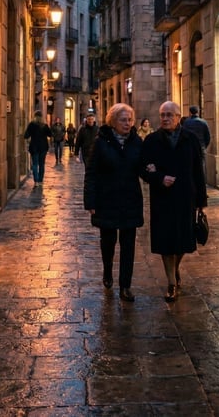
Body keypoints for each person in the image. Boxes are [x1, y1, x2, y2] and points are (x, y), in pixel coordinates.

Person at [141, 100, 207, 303]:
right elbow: (143, 168)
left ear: (178, 117)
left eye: (170, 115)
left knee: (182, 241)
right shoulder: (152, 140)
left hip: (185, 196)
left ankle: (175, 267)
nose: (165, 118)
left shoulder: (191, 139)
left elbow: (198, 171)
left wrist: (201, 201)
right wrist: (159, 177)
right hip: (162, 198)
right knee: (165, 241)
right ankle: (171, 282)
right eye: (162, 115)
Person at [84, 103, 143, 302]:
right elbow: (91, 173)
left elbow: (144, 168)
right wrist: (90, 201)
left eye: (130, 120)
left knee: (128, 245)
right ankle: (107, 271)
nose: (127, 124)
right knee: (108, 242)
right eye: (123, 120)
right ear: (113, 122)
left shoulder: (137, 142)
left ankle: (125, 285)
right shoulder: (101, 142)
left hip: (129, 199)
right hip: (106, 199)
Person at [24, 111, 52, 189]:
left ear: (35, 116)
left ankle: (36, 181)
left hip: (34, 147)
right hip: (43, 147)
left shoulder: (31, 125)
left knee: (35, 164)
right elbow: (50, 134)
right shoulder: (45, 125)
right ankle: (40, 181)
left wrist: (30, 136)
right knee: (42, 164)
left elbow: (26, 135)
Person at [182, 105, 211, 179]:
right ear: (198, 111)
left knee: (190, 165)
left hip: (189, 147)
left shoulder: (186, 122)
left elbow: (183, 135)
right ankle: (202, 183)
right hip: (201, 147)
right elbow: (208, 137)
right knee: (201, 165)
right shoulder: (203, 122)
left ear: (190, 112)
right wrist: (204, 146)